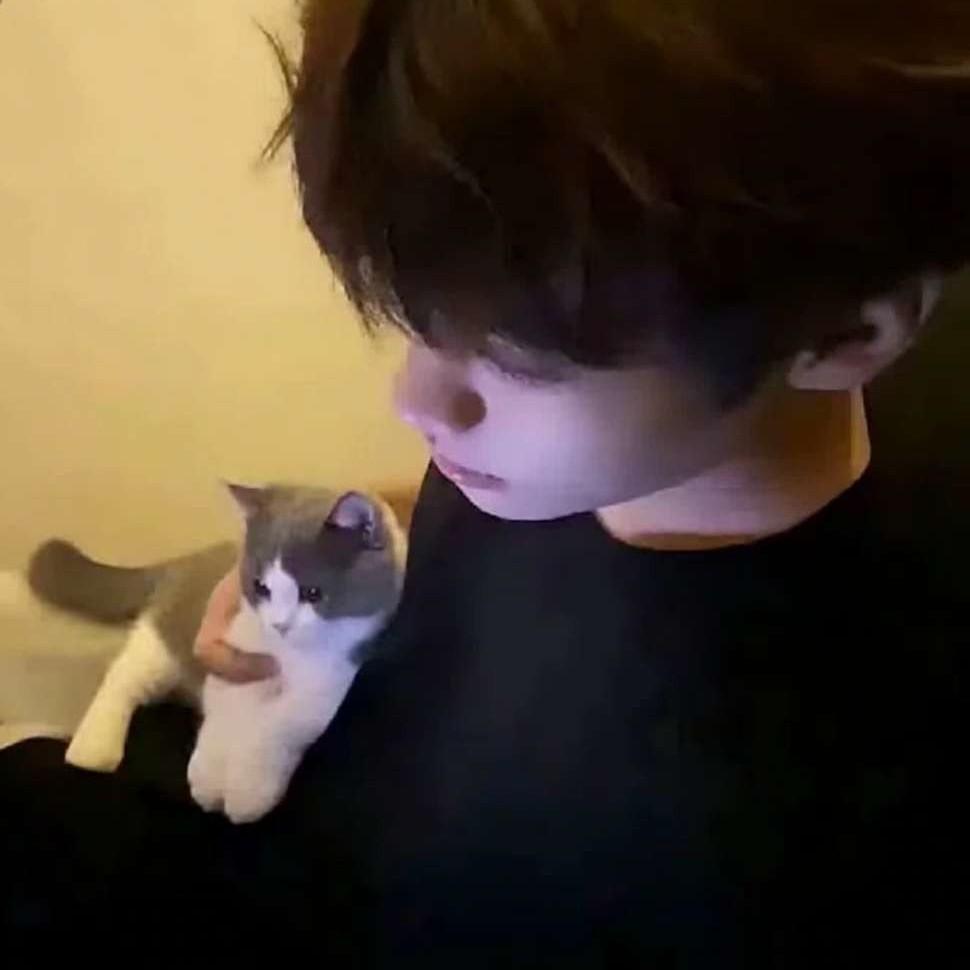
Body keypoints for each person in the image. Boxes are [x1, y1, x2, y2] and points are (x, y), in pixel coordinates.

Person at [2, 2, 968, 964]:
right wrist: (352, 545)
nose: (416, 400)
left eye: (519, 354)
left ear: (846, 334)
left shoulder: (724, 844)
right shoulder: (589, 453)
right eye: (419, 319)